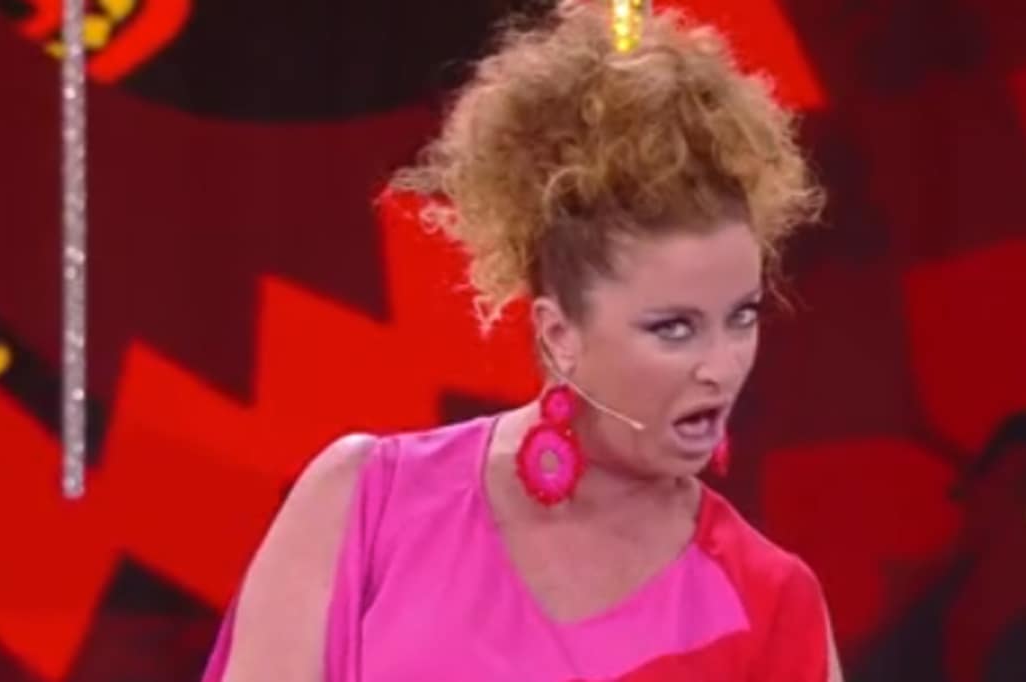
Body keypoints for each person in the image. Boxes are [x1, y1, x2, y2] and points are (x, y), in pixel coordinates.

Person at [203, 1, 840, 679]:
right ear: (559, 334)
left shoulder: (770, 601)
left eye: (741, 316)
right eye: (673, 328)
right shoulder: (366, 502)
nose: (721, 367)